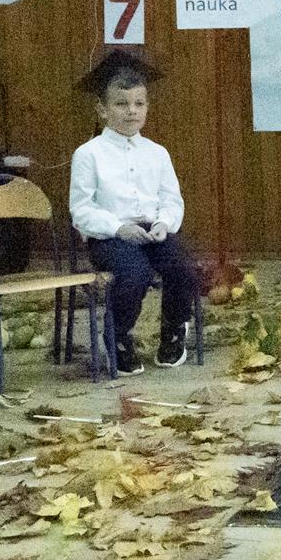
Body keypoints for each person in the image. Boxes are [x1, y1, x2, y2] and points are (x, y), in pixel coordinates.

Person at [69, 50, 196, 374]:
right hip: (110, 236)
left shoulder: (157, 153)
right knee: (134, 273)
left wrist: (164, 223)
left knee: (183, 267)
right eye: (121, 104)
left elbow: (172, 199)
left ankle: (174, 328)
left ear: (147, 107)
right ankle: (118, 335)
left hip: (152, 230)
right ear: (102, 109)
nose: (131, 111)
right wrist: (117, 228)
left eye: (139, 104)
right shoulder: (88, 154)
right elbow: (81, 209)